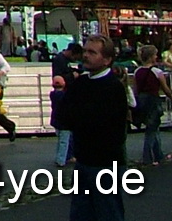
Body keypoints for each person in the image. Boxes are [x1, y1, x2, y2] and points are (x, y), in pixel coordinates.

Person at [64, 36, 130, 221]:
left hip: (105, 163)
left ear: (107, 59)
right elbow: (65, 117)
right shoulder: (81, 83)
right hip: (84, 160)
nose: (86, 55)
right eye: (85, 51)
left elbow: (101, 124)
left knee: (108, 212)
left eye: (92, 52)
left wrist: (79, 116)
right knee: (80, 213)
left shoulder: (113, 87)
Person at [133, 44, 166, 165]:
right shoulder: (157, 72)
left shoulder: (137, 71)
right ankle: (147, 158)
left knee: (153, 128)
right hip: (153, 102)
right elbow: (165, 89)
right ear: (151, 57)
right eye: (155, 55)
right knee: (151, 130)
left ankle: (159, 155)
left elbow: (136, 90)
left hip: (142, 101)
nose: (157, 57)